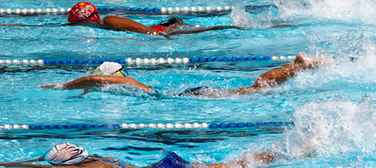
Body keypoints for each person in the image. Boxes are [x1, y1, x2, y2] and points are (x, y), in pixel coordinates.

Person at [0, 139, 285, 168]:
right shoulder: (95, 158)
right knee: (224, 166)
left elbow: (49, 166)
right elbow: (42, 162)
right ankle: (270, 153)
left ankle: (271, 157)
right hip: (161, 164)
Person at [40, 53, 323, 96]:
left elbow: (96, 79)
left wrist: (65, 85)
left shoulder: (124, 82)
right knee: (254, 90)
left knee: (255, 90)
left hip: (191, 98)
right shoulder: (125, 84)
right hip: (184, 97)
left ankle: (297, 66)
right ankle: (297, 66)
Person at [65, 1, 232, 36]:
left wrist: (157, 35)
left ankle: (233, 27)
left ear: (86, 20)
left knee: (202, 30)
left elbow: (133, 26)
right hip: (161, 27)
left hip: (164, 29)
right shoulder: (98, 23)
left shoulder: (109, 21)